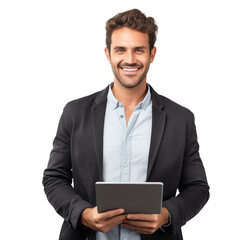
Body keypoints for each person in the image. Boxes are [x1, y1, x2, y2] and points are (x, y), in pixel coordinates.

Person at [43, 8, 209, 240]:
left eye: (138, 50)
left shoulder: (181, 119)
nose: (129, 59)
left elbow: (198, 188)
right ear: (108, 54)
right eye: (120, 50)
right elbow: (54, 178)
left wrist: (166, 214)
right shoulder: (75, 112)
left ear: (152, 54)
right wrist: (83, 214)